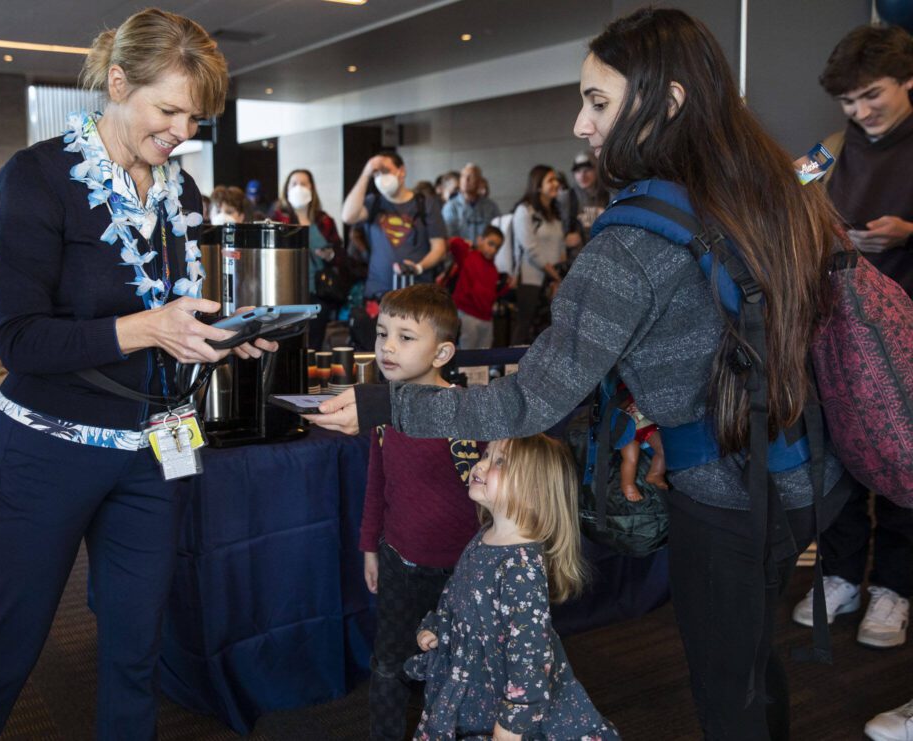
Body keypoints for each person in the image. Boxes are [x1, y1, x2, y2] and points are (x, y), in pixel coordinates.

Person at [310, 8, 854, 739]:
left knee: (729, 688)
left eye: (598, 101)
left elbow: (528, 401)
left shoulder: (631, 238)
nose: (580, 123)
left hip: (727, 492)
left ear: (666, 104)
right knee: (753, 666)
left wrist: (387, 406)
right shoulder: (764, 192)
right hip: (805, 471)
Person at [0, 10, 277, 740]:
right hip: (49, 449)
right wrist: (152, 327)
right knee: (4, 651)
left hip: (152, 452)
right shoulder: (37, 179)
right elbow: (18, 337)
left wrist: (215, 337)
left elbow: (172, 311)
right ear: (117, 83)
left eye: (195, 117)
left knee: (135, 653)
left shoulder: (183, 195)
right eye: (168, 109)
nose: (182, 131)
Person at [803, 24, 913, 741]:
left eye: (870, 96)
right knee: (839, 455)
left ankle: (896, 589)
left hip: (909, 331)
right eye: (848, 101)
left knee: (904, 462)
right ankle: (840, 575)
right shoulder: (829, 149)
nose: (860, 112)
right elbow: (785, 194)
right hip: (841, 332)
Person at [406, 435, 619, 740]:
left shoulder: (521, 567)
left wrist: (512, 723)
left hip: (502, 693)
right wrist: (438, 628)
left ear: (533, 491)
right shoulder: (484, 537)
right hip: (473, 679)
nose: (480, 463)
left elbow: (529, 655)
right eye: (487, 454)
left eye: (499, 462)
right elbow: (456, 594)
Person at [359, 283, 481, 740]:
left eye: (406, 337)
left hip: (458, 571)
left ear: (442, 352)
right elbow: (378, 485)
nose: (388, 347)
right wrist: (370, 546)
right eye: (382, 333)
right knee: (389, 663)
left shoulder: (467, 413)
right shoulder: (385, 411)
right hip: (396, 562)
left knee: (454, 668)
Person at [341, 151, 447, 300]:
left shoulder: (425, 203)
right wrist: (366, 173)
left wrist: (419, 267)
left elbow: (439, 247)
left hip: (416, 293)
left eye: (385, 171)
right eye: (376, 174)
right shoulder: (374, 203)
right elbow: (347, 216)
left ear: (401, 171)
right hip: (378, 292)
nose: (381, 177)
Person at [270, 169, 344, 349]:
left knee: (314, 343)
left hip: (318, 292)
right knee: (287, 343)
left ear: (312, 188)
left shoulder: (324, 220)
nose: (299, 188)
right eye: (294, 184)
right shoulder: (278, 218)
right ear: (286, 189)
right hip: (285, 292)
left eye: (304, 183)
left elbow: (340, 254)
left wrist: (330, 254)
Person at [511, 165, 565, 344]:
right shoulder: (524, 210)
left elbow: (560, 246)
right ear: (538, 185)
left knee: (550, 331)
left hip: (553, 282)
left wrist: (560, 278)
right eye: (550, 180)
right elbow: (530, 248)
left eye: (556, 180)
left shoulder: (555, 213)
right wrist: (555, 275)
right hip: (531, 280)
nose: (556, 184)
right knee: (525, 329)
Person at [448, 225, 508, 349]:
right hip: (467, 314)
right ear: (480, 240)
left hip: (486, 318)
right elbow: (453, 242)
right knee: (467, 353)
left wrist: (506, 287)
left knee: (484, 355)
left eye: (497, 247)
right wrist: (469, 244)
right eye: (490, 244)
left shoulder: (493, 269)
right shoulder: (468, 256)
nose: (493, 250)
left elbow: (491, 294)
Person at [441, 162, 501, 242]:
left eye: (471, 176)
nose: (466, 180)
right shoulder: (451, 206)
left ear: (479, 181)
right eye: (463, 176)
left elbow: (497, 232)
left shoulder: (490, 206)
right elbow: (449, 236)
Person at [571, 152, 611, 243]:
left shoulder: (609, 195)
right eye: (578, 171)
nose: (582, 176)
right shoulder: (569, 198)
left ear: (597, 170)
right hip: (578, 255)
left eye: (587, 170)